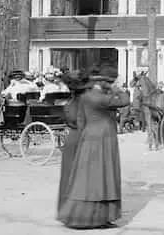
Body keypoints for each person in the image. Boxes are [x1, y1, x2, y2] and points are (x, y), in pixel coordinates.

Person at [58, 67, 131, 229]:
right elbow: (124, 101)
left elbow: (81, 120)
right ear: (101, 83)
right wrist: (120, 89)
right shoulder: (100, 98)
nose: (110, 85)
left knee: (88, 178)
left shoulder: (85, 97)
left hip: (89, 138)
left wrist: (85, 138)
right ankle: (99, 217)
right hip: (104, 139)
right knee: (103, 176)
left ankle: (87, 215)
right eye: (108, 82)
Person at [57, 70, 90, 213]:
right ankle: (79, 210)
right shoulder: (83, 104)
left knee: (68, 174)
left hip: (70, 139)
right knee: (81, 175)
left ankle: (66, 207)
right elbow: (83, 123)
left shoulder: (69, 103)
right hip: (80, 138)